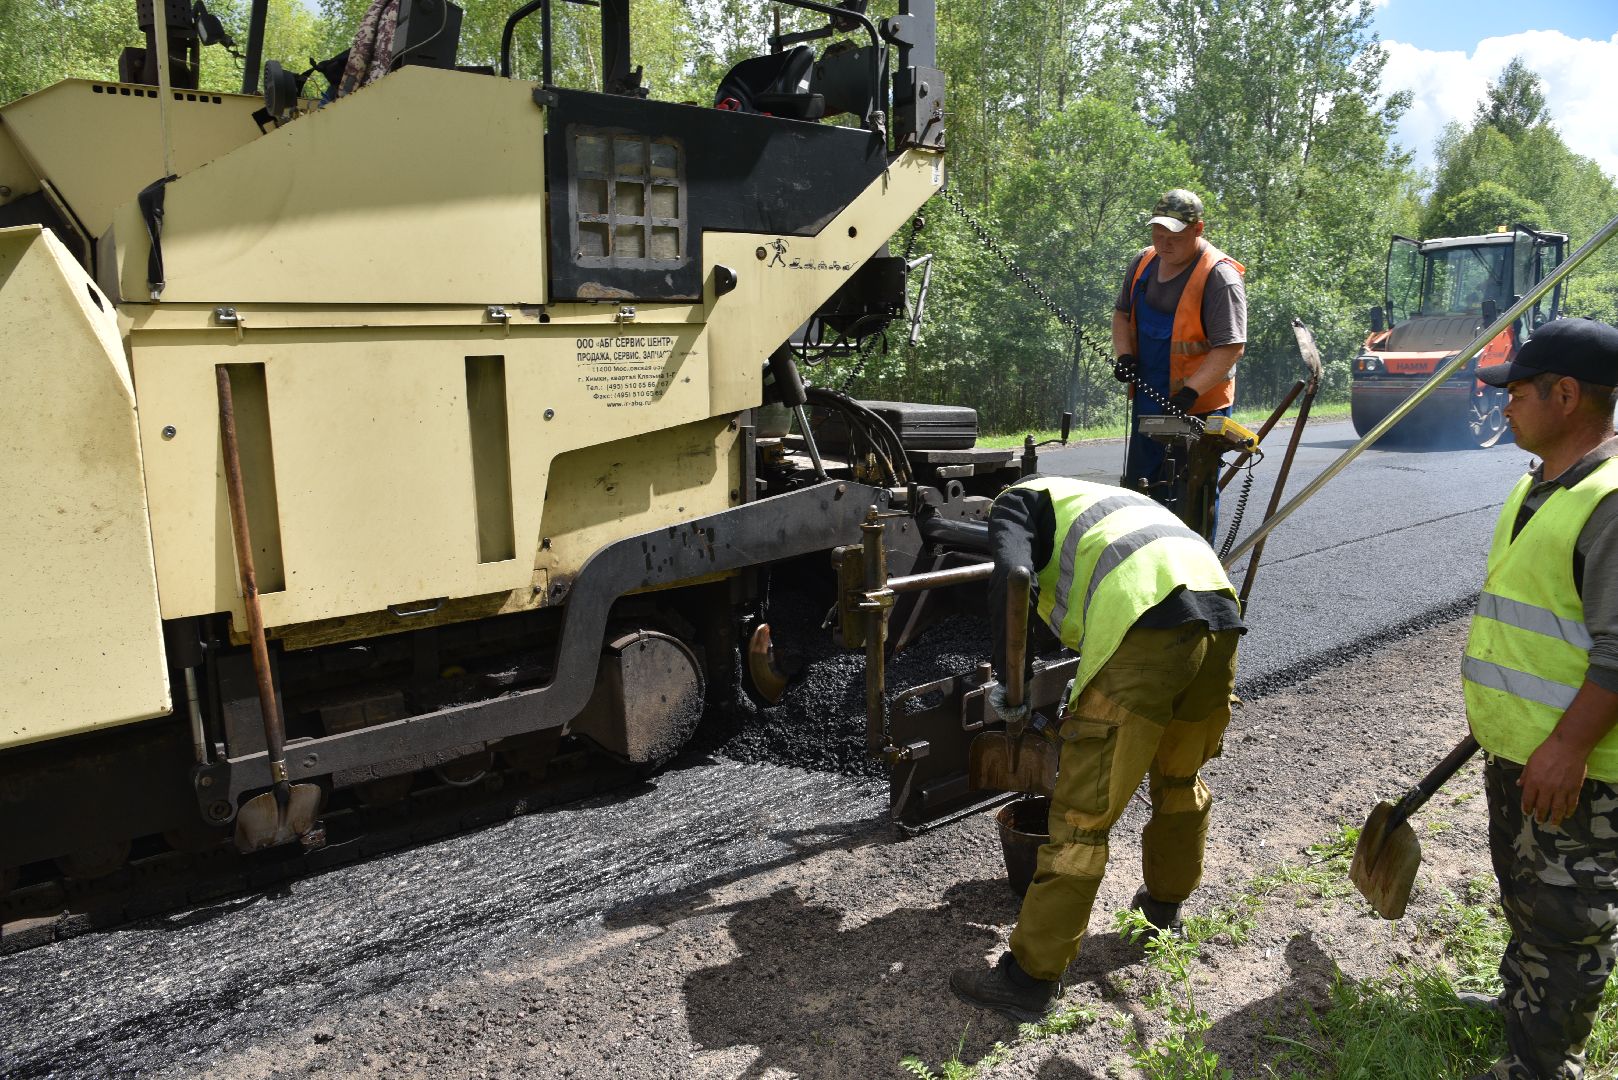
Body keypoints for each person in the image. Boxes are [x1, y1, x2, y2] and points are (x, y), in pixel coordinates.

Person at [949, 475, 1245, 1022]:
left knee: (1082, 820)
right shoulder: (1094, 500)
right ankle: (1163, 911)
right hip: (1220, 620)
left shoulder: (1015, 501)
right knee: (1179, 780)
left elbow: (1015, 579)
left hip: (1144, 629)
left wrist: (1012, 691)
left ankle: (1029, 979)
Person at [1460, 318, 1618, 1080]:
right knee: (1526, 895)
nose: (1504, 406)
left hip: (1578, 766)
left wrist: (1568, 746)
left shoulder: (1611, 503)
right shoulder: (1544, 481)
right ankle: (1521, 1005)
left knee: (1567, 920)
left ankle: (1545, 1064)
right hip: (1522, 748)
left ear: (1566, 394)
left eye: (1516, 393)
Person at [1111, 189, 1247, 539]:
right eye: (1158, 234)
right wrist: (1124, 354)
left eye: (1174, 237)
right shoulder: (1143, 263)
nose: (1164, 244)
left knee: (1192, 493)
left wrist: (1190, 392)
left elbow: (1230, 347)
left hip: (1197, 407)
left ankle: (1196, 573)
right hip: (1149, 397)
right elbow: (1122, 315)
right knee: (1143, 484)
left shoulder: (1219, 277)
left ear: (1198, 229)